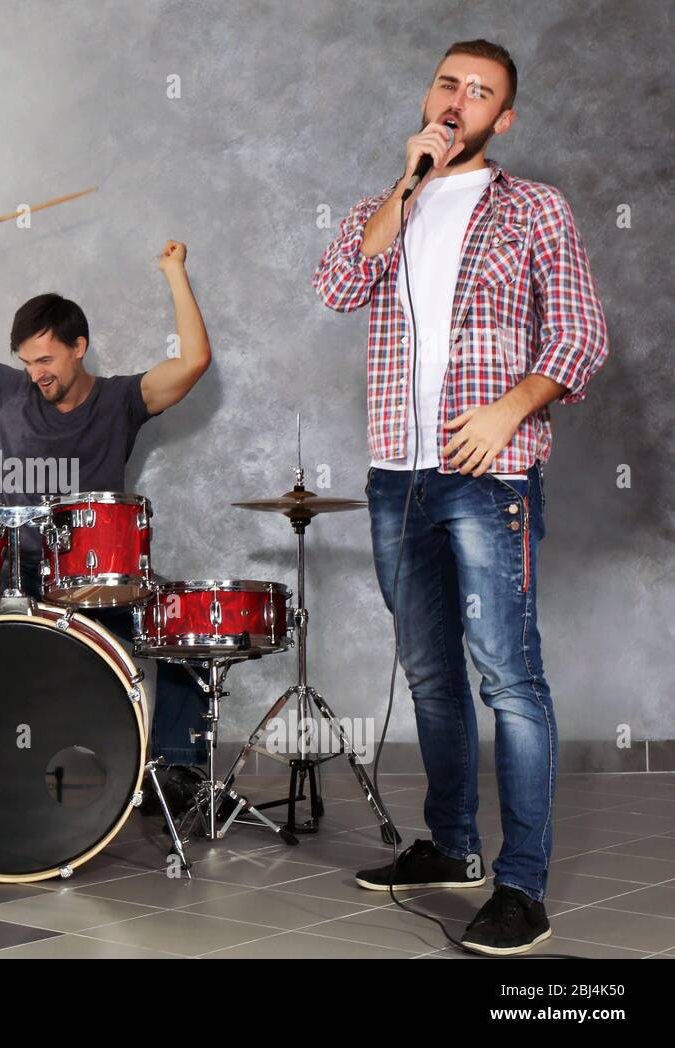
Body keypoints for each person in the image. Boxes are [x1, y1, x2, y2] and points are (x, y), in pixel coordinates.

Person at [313, 40, 607, 954]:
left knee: (508, 679)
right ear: (429, 95)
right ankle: (451, 848)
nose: (460, 99)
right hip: (397, 471)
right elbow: (337, 286)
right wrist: (407, 184)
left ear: (503, 118)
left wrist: (508, 412)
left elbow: (581, 336)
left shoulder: (533, 207)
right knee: (432, 676)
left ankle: (522, 889)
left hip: (491, 475)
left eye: (482, 93)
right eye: (449, 83)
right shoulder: (388, 204)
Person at [0, 208, 213, 776]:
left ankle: (174, 771)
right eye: (27, 362)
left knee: (183, 629)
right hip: (17, 574)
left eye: (45, 359)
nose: (36, 374)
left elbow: (194, 361)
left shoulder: (122, 399)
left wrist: (175, 272)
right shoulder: (5, 390)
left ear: (79, 346)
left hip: (98, 581)